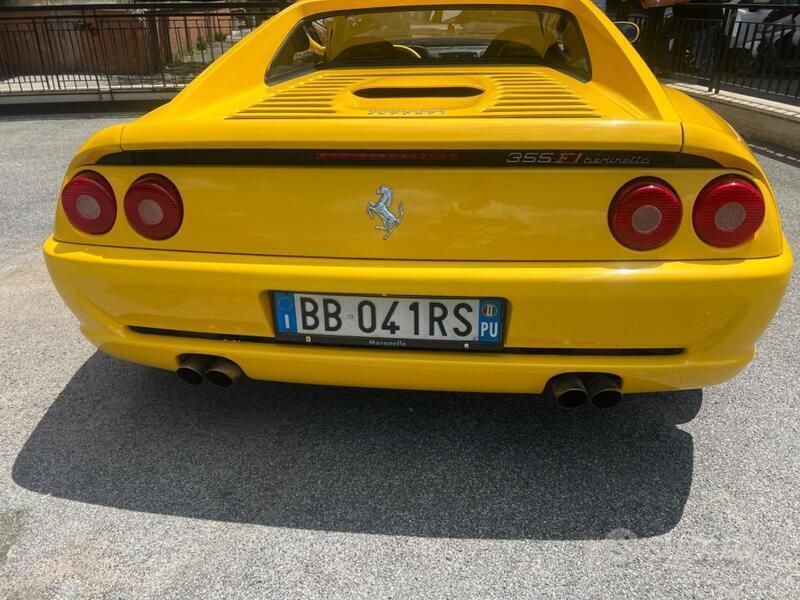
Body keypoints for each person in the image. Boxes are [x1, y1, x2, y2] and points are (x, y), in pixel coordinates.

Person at [673, 0, 725, 81]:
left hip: (705, 21)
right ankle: (703, 79)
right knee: (699, 50)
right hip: (690, 21)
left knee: (703, 52)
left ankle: (704, 80)